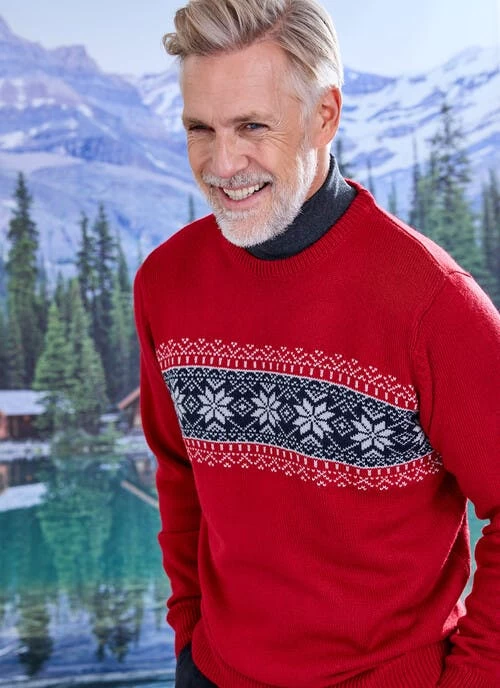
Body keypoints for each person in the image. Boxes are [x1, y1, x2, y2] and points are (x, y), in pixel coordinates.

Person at [133, 1, 500, 686]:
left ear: (324, 115)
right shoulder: (165, 282)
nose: (223, 163)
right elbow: (178, 473)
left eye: (252, 126)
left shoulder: (432, 302)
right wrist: (189, 639)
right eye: (200, 129)